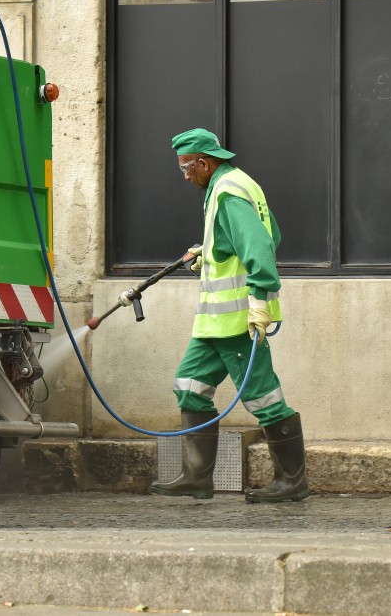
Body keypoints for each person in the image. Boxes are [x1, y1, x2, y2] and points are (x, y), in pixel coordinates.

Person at [148, 128, 310, 503]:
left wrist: (260, 299)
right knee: (189, 385)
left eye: (187, 168)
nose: (186, 176)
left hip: (236, 321)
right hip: (213, 326)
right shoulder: (229, 184)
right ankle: (197, 477)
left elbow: (259, 245)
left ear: (204, 162)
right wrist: (210, 251)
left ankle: (292, 481)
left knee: (262, 398)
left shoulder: (227, 192)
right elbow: (266, 234)